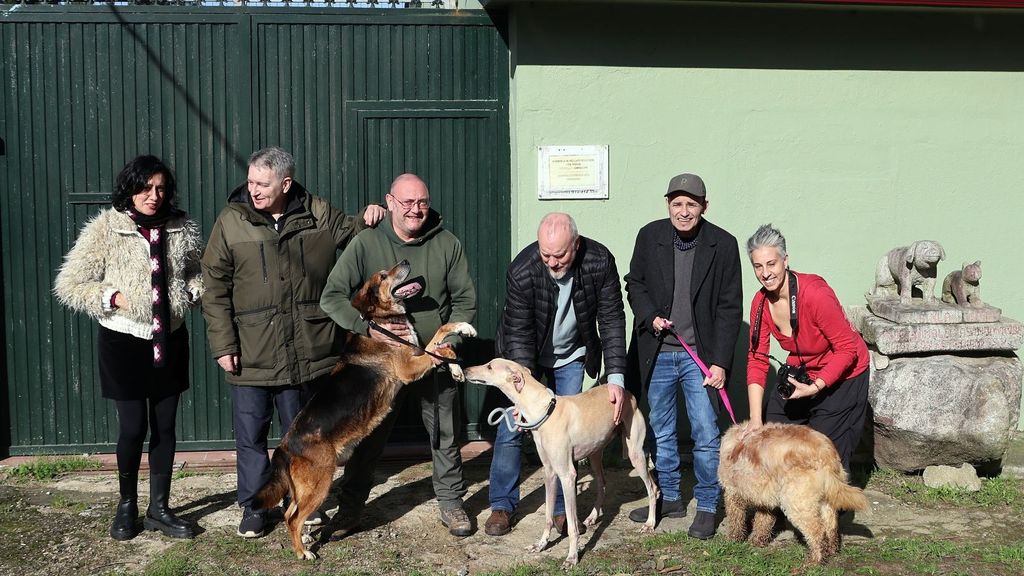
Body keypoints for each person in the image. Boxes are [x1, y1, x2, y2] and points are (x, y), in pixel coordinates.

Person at [201, 147, 385, 538]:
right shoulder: (232, 221)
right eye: (250, 181)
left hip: (307, 349)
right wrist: (223, 344)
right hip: (250, 350)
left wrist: (370, 217)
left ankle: (300, 500)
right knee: (250, 437)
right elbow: (213, 286)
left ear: (286, 183)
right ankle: (254, 506)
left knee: (302, 435)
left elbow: (356, 236)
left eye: (262, 183)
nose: (253, 190)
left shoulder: (317, 212)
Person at [54, 155, 203, 541]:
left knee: (166, 427)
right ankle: (126, 506)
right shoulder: (106, 228)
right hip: (123, 340)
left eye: (160, 188)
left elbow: (195, 271)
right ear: (130, 189)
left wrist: (193, 289)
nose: (153, 196)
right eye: (145, 188)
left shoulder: (181, 227)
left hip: (170, 338)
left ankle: (160, 508)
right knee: (133, 427)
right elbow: (70, 284)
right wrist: (113, 296)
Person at [320, 172, 477, 537]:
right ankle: (351, 508)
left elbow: (466, 299)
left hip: (432, 356)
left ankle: (452, 503)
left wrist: (450, 339)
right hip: (381, 363)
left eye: (421, 202)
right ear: (390, 202)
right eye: (407, 202)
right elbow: (332, 296)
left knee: (445, 432)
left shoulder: (446, 244)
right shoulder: (365, 243)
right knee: (368, 434)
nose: (415, 210)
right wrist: (367, 329)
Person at [485, 212, 628, 537]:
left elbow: (611, 317)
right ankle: (502, 505)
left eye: (560, 255)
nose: (551, 261)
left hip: (571, 356)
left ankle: (563, 510)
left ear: (576, 245)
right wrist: (523, 395)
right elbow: (519, 335)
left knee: (565, 433)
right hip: (525, 360)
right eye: (545, 254)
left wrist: (616, 376)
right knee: (513, 426)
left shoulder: (599, 260)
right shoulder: (523, 270)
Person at [624, 173, 742, 539]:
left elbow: (729, 307)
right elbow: (635, 283)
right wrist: (648, 316)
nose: (684, 211)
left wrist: (720, 362)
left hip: (700, 359)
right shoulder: (650, 236)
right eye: (677, 204)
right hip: (657, 352)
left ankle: (707, 504)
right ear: (668, 205)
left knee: (706, 433)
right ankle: (672, 496)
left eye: (692, 204)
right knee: (661, 430)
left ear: (705, 206)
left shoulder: (723, 244)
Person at [745, 224, 870, 473]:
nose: (765, 273)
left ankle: (829, 508)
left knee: (824, 456)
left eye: (772, 264)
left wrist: (814, 388)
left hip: (845, 373)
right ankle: (784, 504)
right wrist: (756, 420)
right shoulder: (760, 303)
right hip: (804, 369)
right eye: (758, 266)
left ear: (785, 261)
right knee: (774, 437)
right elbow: (757, 359)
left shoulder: (814, 293)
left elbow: (847, 349)